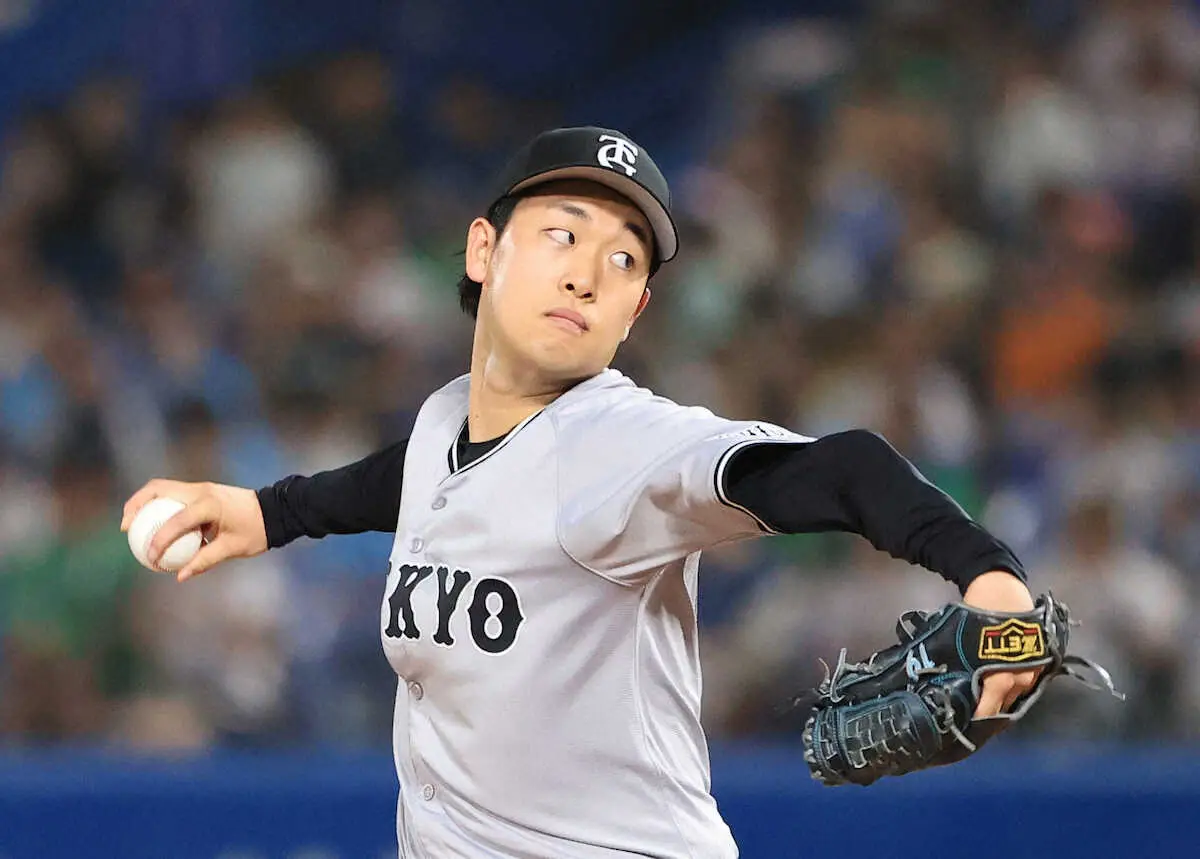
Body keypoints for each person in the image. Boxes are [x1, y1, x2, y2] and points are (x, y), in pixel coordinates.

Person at [122, 126, 1039, 858]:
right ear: (483, 249)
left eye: (625, 261)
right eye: (562, 234)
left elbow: (843, 469)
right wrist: (268, 513)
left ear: (635, 311)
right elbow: (405, 477)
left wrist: (991, 577)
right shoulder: (448, 420)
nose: (587, 274)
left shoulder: (622, 445)